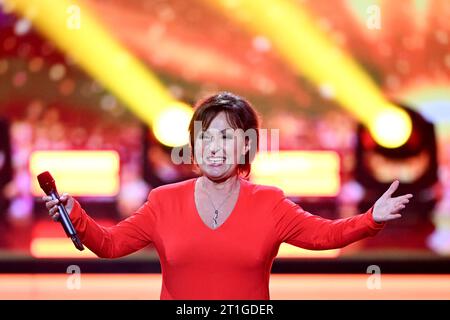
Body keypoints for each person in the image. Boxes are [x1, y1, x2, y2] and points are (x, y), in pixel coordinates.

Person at [43, 92, 413, 300]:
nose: (214, 147)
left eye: (227, 137)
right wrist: (72, 211)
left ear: (246, 147)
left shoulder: (270, 203)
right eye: (205, 137)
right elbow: (108, 245)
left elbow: (325, 235)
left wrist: (371, 218)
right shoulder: (163, 201)